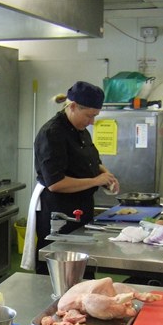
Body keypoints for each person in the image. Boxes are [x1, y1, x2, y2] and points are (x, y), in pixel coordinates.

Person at [20, 81, 120, 274]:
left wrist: (105, 174)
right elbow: (56, 183)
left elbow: (91, 161)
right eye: (89, 116)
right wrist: (96, 181)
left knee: (84, 268)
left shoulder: (81, 131)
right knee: (59, 272)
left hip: (82, 208)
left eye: (95, 116)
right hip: (59, 212)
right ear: (73, 107)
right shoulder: (52, 133)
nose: (92, 122)